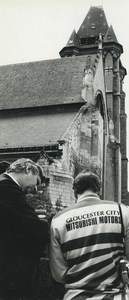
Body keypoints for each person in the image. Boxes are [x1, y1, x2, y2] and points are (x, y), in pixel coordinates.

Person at [49, 171, 129, 300]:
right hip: (115, 295)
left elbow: (59, 274)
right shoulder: (122, 211)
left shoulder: (58, 219)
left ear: (75, 191)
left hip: (76, 295)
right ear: (99, 190)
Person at [0, 158, 49, 298]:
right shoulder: (6, 188)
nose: (35, 189)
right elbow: (33, 230)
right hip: (9, 276)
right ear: (28, 169)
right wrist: (43, 223)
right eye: (36, 182)